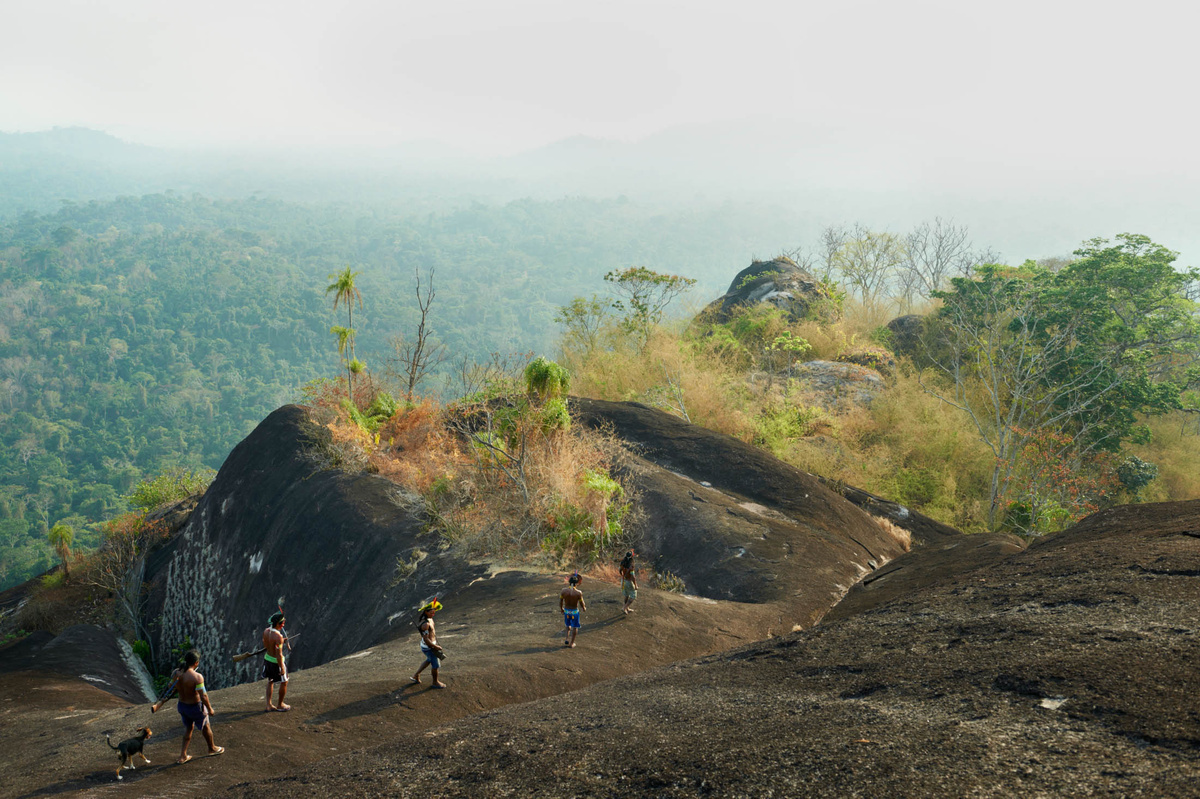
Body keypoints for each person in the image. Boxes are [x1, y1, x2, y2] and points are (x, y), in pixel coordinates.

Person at [176, 649, 223, 764]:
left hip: (182, 705)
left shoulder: (176, 673)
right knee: (206, 727)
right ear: (196, 663)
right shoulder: (197, 677)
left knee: (188, 728)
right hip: (195, 707)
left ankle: (183, 755)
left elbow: (171, 686)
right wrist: (210, 709)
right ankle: (212, 748)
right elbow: (204, 696)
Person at [411, 599, 446, 688]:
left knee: (429, 660)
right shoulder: (425, 624)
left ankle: (416, 675)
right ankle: (435, 682)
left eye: (434, 612)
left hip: (429, 645)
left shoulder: (430, 619)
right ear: (426, 612)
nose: (433, 614)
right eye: (431, 612)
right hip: (429, 647)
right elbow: (426, 639)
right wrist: (435, 646)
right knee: (435, 665)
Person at [262, 611, 291, 711]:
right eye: (283, 622)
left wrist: (281, 641)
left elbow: (265, 644)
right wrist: (282, 668)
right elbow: (279, 654)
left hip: (267, 659)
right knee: (284, 682)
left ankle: (268, 705)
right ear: (278, 624)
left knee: (270, 681)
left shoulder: (266, 631)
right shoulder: (278, 637)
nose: (284, 624)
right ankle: (280, 704)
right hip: (276, 662)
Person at [559, 572, 586, 647]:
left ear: (569, 582)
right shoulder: (578, 593)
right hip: (574, 612)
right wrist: (584, 608)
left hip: (567, 611)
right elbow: (581, 602)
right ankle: (571, 643)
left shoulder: (563, 591)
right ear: (576, 583)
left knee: (568, 626)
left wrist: (561, 609)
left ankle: (567, 638)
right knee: (575, 627)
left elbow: (560, 601)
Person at [619, 550, 638, 615]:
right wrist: (635, 585)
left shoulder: (622, 562)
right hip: (629, 582)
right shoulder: (631, 565)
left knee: (626, 595)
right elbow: (633, 577)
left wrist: (623, 576)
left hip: (623, 581)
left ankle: (627, 608)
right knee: (633, 596)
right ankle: (625, 607)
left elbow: (620, 570)